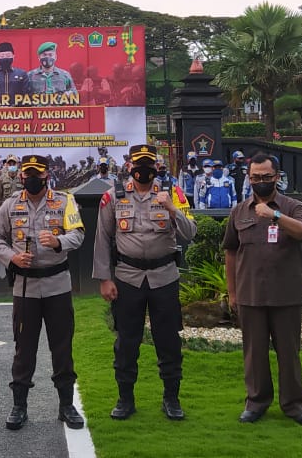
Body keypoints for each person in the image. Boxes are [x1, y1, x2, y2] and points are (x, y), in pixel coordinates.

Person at [92, 144, 197, 421]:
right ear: (129, 166)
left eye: (149, 165)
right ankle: (125, 399)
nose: (143, 170)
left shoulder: (172, 193)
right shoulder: (113, 196)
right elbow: (102, 239)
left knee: (168, 341)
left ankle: (171, 399)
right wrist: (104, 278)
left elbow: (190, 233)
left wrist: (172, 209)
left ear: (156, 168)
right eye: (138, 164)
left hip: (164, 277)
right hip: (128, 278)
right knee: (127, 342)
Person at [0, 155, 85, 431]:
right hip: (25, 287)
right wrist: (11, 258)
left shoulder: (65, 201)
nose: (31, 177)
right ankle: (19, 405)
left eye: (36, 173)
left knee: (62, 347)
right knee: (24, 349)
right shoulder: (10, 205)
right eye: (27, 173)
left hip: (57, 285)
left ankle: (66, 405)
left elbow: (78, 234)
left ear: (46, 175)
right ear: (21, 177)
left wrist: (58, 241)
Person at [223, 153, 302, 427]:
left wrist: (275, 215)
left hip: (286, 294)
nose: (260, 182)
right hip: (251, 293)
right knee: (254, 353)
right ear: (248, 178)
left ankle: (294, 406)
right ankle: (256, 402)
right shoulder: (239, 211)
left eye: (266, 177)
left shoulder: (293, 206)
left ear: (276, 177)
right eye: (255, 177)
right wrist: (232, 292)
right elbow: (230, 251)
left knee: (289, 353)